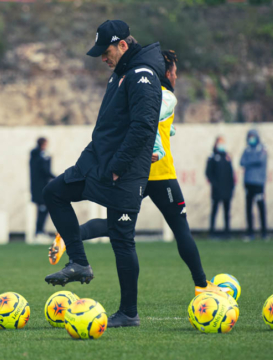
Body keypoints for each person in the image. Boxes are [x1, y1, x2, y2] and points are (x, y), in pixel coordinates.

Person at [47, 49, 228, 325]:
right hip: (156, 175)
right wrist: (156, 146)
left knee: (116, 227)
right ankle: (201, 284)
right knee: (179, 229)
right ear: (166, 72)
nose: (177, 75)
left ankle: (69, 238)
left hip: (135, 174)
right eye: (175, 70)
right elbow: (145, 124)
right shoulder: (164, 94)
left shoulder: (137, 83)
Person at [42, 20, 164, 328]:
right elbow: (111, 127)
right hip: (97, 163)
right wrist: (93, 159)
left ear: (123, 45)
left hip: (122, 173)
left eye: (106, 51)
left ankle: (128, 313)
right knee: (54, 192)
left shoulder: (142, 75)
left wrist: (116, 168)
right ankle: (80, 263)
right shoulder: (120, 74)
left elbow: (143, 128)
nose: (102, 58)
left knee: (122, 240)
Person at [240, 129, 268, 241]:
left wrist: (249, 161)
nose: (251, 138)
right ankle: (250, 233)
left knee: (261, 207)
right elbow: (241, 162)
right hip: (248, 182)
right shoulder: (246, 149)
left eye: (253, 136)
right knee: (248, 208)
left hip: (259, 183)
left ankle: (264, 233)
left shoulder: (262, 148)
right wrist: (253, 161)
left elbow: (260, 161)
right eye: (250, 136)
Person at [206, 136, 235, 239]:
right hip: (217, 190)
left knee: (227, 212)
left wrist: (232, 187)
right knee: (214, 211)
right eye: (220, 143)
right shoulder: (212, 157)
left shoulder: (227, 157)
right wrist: (215, 184)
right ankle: (212, 232)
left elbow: (231, 174)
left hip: (227, 189)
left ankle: (227, 233)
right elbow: (208, 173)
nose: (222, 145)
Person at [29, 137, 55, 243]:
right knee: (42, 209)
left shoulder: (37, 156)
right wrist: (57, 177)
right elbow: (45, 171)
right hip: (40, 189)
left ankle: (40, 232)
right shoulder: (39, 157)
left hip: (39, 189)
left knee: (43, 210)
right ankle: (38, 233)